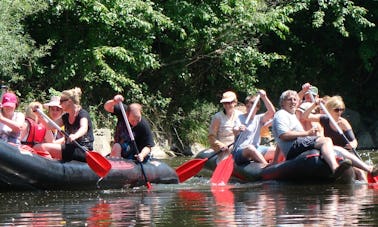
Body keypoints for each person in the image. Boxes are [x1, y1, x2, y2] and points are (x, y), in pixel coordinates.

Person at [272, 90, 353, 179]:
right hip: (293, 148)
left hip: (298, 145)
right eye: (289, 100)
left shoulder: (291, 115)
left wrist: (275, 160)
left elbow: (279, 143)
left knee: (336, 148)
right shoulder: (281, 114)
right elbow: (284, 135)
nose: (293, 102)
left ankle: (367, 168)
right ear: (282, 103)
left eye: (295, 99)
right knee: (326, 140)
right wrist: (307, 133)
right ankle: (335, 168)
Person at [303, 95, 377, 181]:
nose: (339, 112)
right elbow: (305, 117)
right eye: (336, 110)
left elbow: (354, 141)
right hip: (331, 151)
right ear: (330, 110)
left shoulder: (343, 123)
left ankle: (364, 190)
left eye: (341, 109)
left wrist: (351, 145)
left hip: (346, 151)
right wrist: (314, 105)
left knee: (359, 172)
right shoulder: (324, 119)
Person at [34, 87, 94, 162]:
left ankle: (51, 166)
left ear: (69, 101)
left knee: (39, 147)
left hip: (82, 150)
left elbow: (84, 128)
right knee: (37, 147)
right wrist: (39, 115)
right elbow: (49, 126)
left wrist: (75, 135)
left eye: (61, 101)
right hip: (69, 149)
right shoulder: (65, 117)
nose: (59, 104)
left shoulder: (82, 114)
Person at [104, 94, 154, 162]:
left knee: (117, 146)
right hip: (123, 148)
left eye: (138, 119)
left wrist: (142, 155)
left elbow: (148, 146)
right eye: (133, 120)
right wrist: (114, 101)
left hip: (137, 153)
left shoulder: (143, 125)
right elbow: (107, 107)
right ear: (127, 115)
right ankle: (116, 166)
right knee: (116, 147)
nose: (135, 123)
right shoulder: (123, 111)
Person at [232, 90, 276, 166]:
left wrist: (264, 97)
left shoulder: (259, 118)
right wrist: (239, 129)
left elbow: (272, 112)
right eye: (248, 106)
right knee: (250, 148)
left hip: (257, 149)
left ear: (257, 108)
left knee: (276, 150)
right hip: (241, 151)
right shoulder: (240, 118)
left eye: (252, 107)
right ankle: (268, 169)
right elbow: (234, 130)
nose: (249, 109)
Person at [208, 91, 243, 161]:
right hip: (224, 149)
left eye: (229, 103)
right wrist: (220, 145)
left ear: (235, 103)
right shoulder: (217, 117)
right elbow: (211, 137)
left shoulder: (240, 115)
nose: (227, 105)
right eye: (225, 103)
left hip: (238, 146)